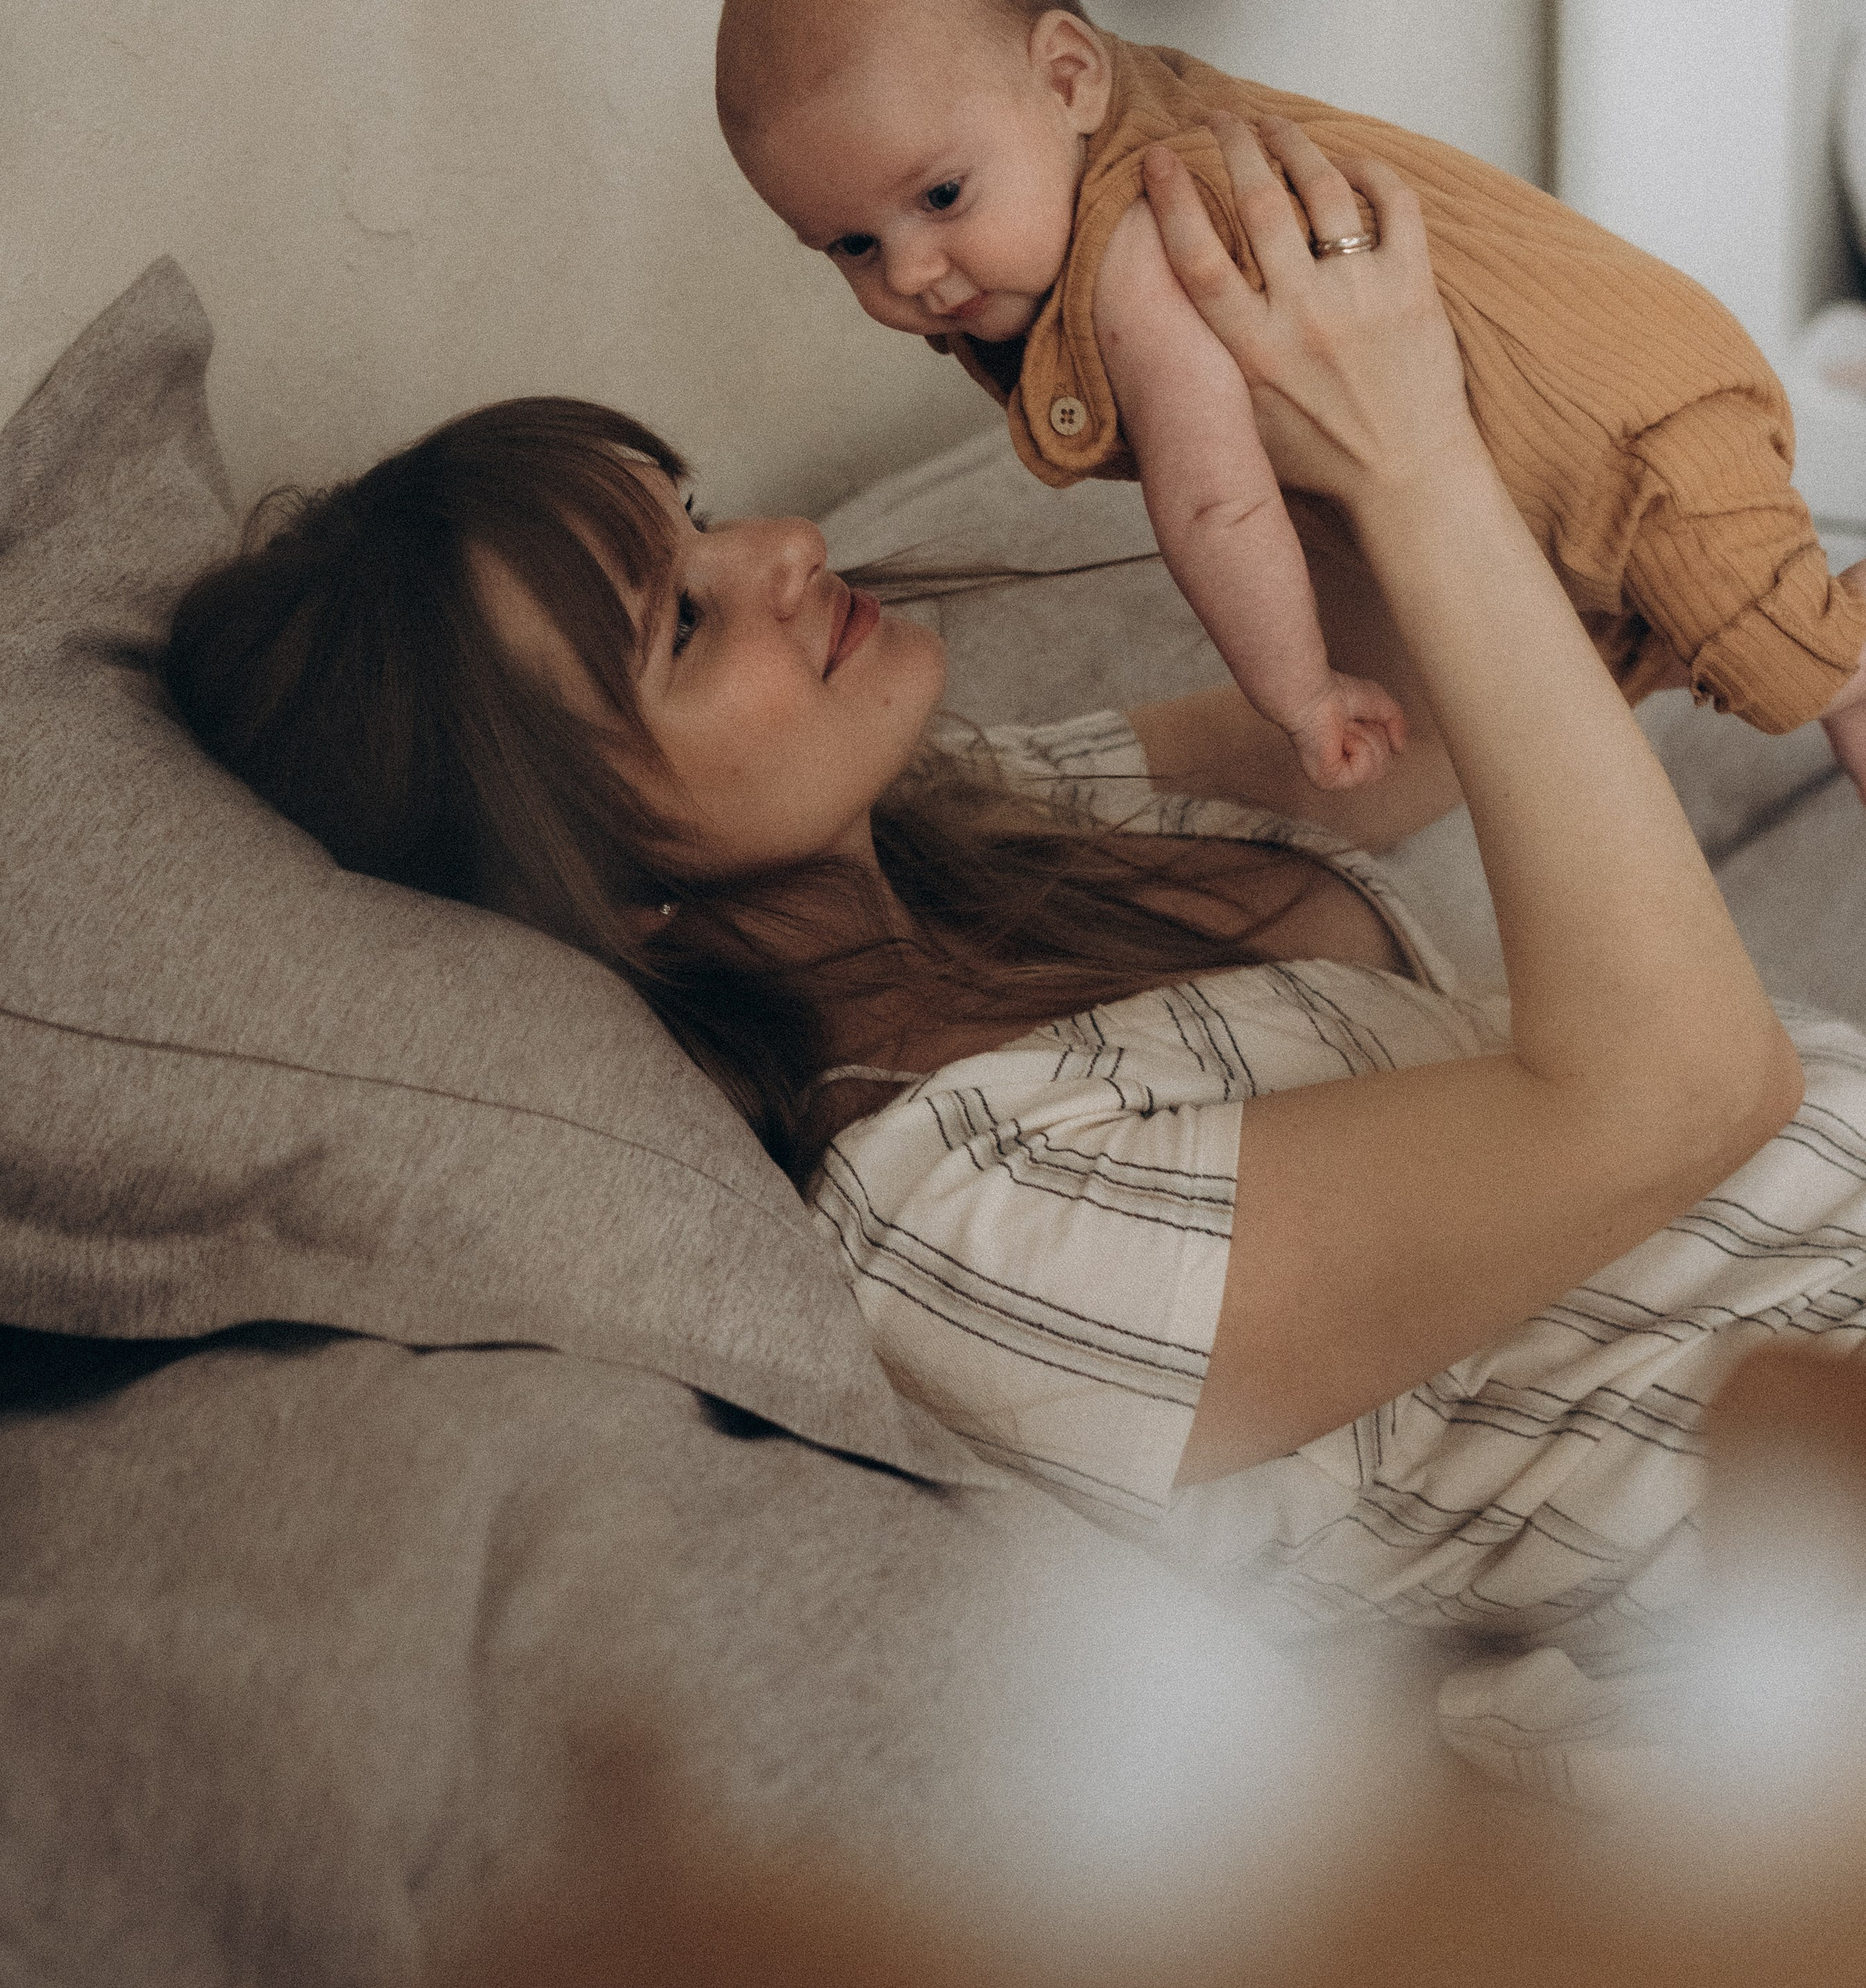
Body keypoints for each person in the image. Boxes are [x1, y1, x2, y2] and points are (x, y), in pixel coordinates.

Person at [165, 110, 1863, 1683]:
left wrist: (1199, 362)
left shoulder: (971, 822)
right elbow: (1684, 1092)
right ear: (591, 887)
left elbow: (1381, 716)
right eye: (677, 623)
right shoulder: (957, 1235)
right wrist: (1410, 466)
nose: (780, 549)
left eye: (695, 519)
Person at [714, 0, 1866, 803]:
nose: (912, 273)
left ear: (1068, 79)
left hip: (1633, 443)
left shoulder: (1137, 252)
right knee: (1628, 671)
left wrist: (1301, 692)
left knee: (1792, 670)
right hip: (1564, 500)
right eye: (851, 246)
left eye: (941, 196)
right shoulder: (1113, 133)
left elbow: (1216, 505)